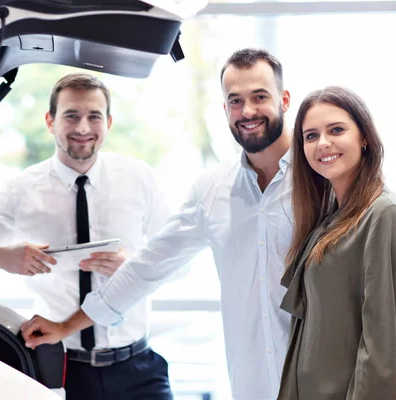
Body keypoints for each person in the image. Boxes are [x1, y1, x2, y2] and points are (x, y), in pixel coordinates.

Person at [21, 48, 296, 400]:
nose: (248, 111)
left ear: (284, 100)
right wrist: (64, 327)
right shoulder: (212, 190)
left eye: (260, 97)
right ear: (225, 109)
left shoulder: (322, 179)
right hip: (251, 385)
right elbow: (144, 269)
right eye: (235, 100)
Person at [0, 73, 173, 399]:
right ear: (50, 121)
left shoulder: (139, 179)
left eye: (94, 116)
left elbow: (178, 264)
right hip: (60, 371)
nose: (83, 127)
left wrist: (134, 265)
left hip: (139, 369)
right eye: (71, 115)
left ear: (108, 122)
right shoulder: (21, 190)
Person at [277, 86, 396, 399]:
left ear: (363, 136)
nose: (322, 143)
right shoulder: (329, 218)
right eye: (310, 136)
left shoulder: (383, 214)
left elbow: (382, 344)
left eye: (336, 130)